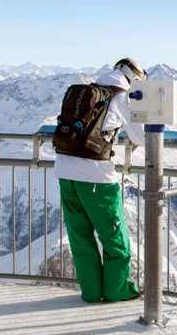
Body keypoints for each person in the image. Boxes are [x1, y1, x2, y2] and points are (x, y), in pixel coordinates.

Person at [53, 57, 148, 302]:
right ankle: (118, 291)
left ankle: (92, 293)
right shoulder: (121, 97)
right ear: (134, 79)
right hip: (96, 177)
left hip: (64, 171)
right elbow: (141, 137)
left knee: (80, 236)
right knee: (114, 237)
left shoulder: (91, 92)